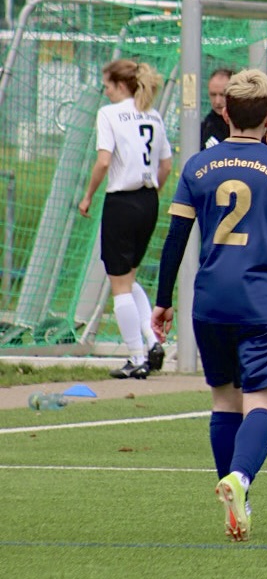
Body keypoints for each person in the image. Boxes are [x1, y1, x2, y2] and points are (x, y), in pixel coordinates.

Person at [151, 68, 267, 542]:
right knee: (261, 399)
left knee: (224, 398)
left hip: (210, 301)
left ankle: (235, 496)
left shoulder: (197, 166)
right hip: (263, 300)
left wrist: (163, 301)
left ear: (225, 113)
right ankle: (240, 479)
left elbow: (175, 239)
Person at [78, 58, 173, 380]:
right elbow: (166, 165)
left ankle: (136, 357)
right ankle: (151, 341)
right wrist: (151, 194)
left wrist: (88, 195)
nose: (105, 92)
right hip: (148, 200)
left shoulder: (109, 114)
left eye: (107, 85)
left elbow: (104, 161)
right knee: (128, 279)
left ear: (120, 85)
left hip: (121, 201)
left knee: (119, 285)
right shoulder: (153, 114)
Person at [200, 66, 234, 148]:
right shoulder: (205, 128)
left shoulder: (245, 125)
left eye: (222, 95)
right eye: (213, 95)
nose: (217, 101)